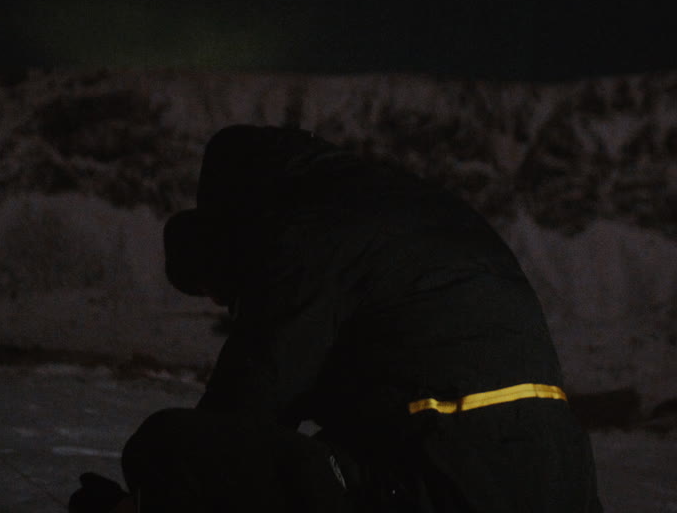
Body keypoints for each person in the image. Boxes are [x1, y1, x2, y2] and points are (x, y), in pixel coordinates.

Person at [69, 125, 602, 512]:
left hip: (451, 485)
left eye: (222, 293)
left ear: (232, 237)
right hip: (563, 484)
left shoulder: (308, 236)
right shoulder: (394, 209)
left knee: (169, 447)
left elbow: (246, 407)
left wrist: (137, 504)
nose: (225, 309)